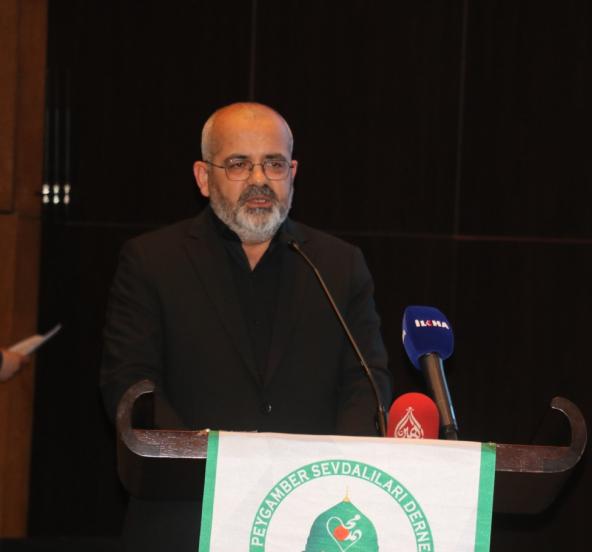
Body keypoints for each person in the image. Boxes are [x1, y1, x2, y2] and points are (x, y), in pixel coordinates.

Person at [100, 102, 391, 551]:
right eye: (238, 164)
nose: (259, 179)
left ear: (292, 173)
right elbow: (131, 384)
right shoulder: (152, 262)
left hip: (308, 519)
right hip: (186, 513)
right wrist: (212, 466)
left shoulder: (338, 265)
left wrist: (327, 476)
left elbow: (366, 385)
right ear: (203, 177)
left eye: (273, 164)